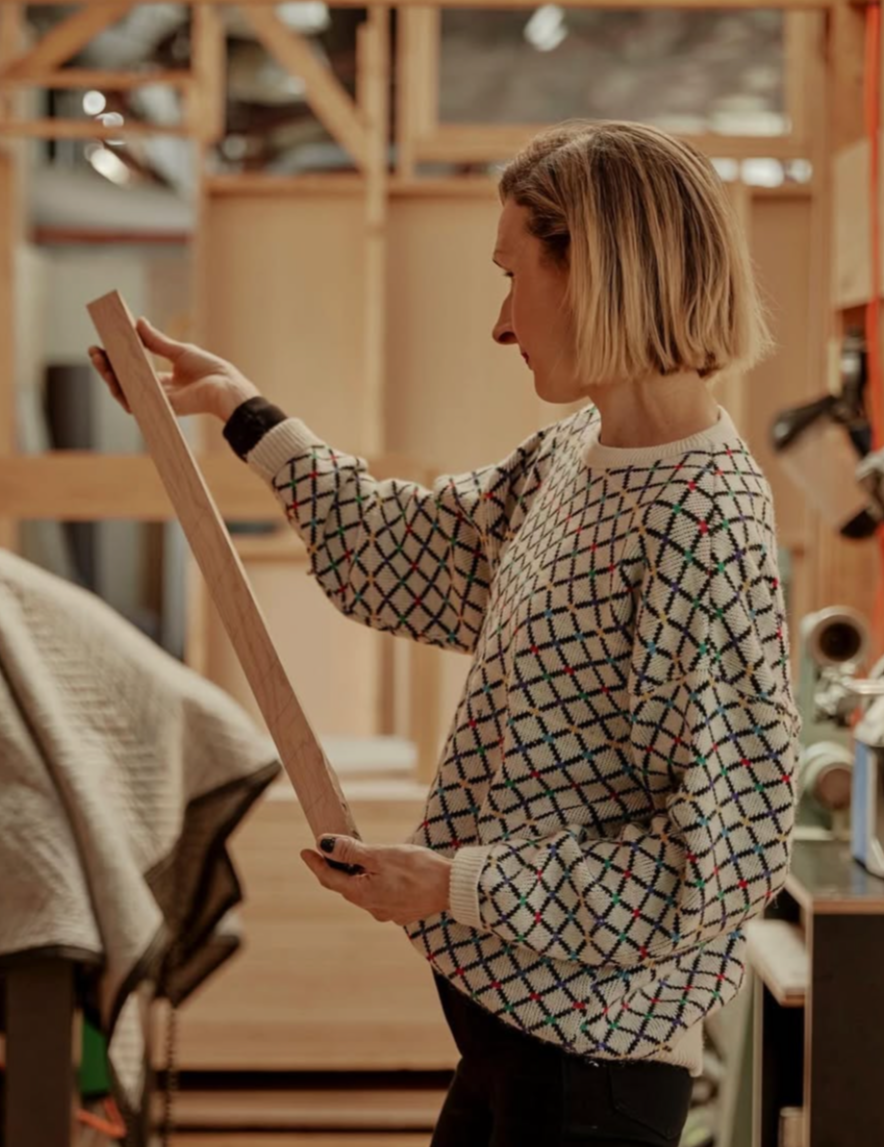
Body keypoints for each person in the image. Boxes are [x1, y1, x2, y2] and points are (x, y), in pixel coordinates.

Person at [91, 120, 800, 1147]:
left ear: (597, 269)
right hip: (512, 1040)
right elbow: (404, 556)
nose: (501, 323)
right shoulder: (576, 456)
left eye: (514, 275)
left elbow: (718, 861)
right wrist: (242, 412)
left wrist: (451, 882)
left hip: (588, 1070)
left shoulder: (699, 519)